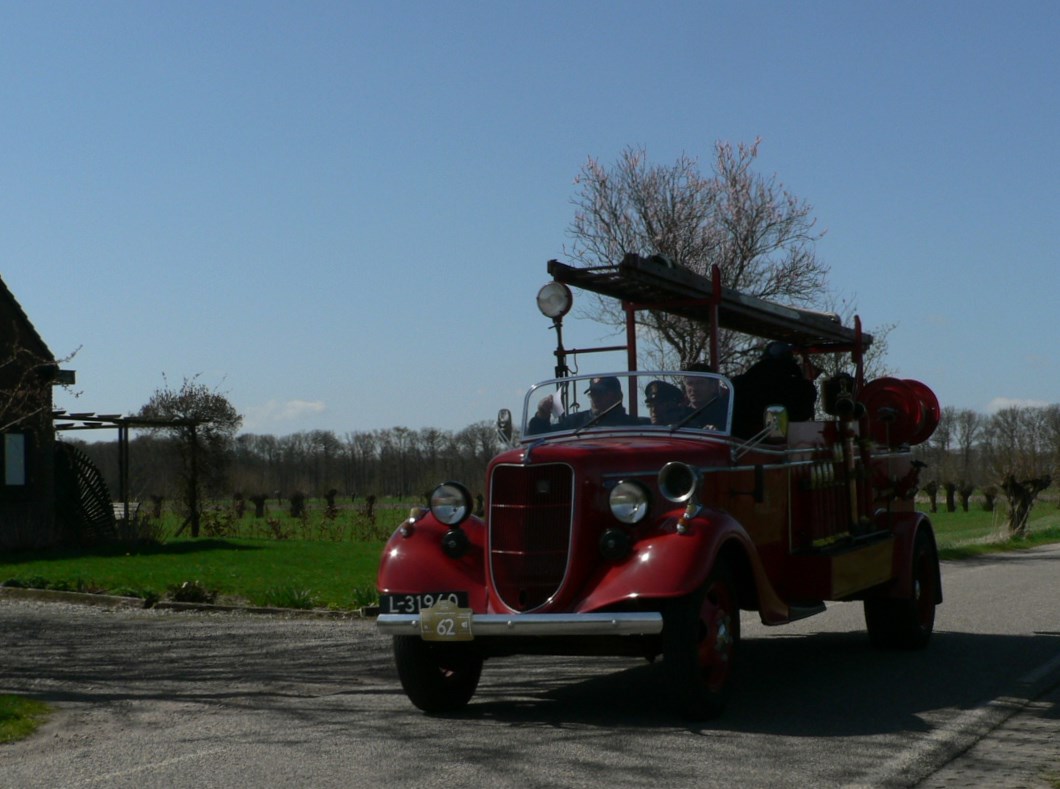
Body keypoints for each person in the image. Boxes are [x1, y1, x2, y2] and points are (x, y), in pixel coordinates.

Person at [730, 342, 818, 438]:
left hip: (742, 441)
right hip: (793, 442)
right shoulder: (802, 387)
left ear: (765, 359)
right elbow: (804, 414)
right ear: (790, 359)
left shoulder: (743, 381)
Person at [527, 376, 635, 434]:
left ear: (617, 396)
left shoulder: (634, 426)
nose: (595, 398)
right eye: (593, 393)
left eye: (601, 393)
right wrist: (542, 415)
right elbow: (540, 437)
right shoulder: (574, 423)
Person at [679, 363, 729, 429]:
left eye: (700, 383)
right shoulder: (678, 413)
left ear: (713, 386)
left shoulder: (726, 413)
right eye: (689, 383)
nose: (694, 388)